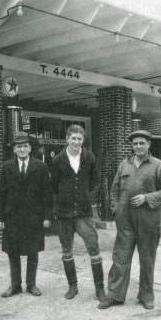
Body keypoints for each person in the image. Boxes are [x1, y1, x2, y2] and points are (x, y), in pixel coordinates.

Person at [98, 130, 161, 310]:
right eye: (135, 144)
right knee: (120, 258)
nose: (138, 146)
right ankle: (115, 295)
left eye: (142, 143)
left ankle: (146, 296)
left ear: (149, 144)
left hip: (148, 221)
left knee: (147, 260)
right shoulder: (124, 165)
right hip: (125, 221)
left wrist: (146, 198)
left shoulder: (158, 166)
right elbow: (115, 189)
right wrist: (116, 209)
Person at [51, 124, 105, 301]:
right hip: (64, 213)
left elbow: (96, 181)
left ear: (83, 140)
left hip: (83, 212)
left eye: (79, 139)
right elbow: (53, 186)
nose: (76, 142)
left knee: (93, 247)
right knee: (66, 250)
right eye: (73, 138)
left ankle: (99, 289)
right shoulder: (58, 160)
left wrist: (87, 195)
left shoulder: (89, 157)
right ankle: (72, 286)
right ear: (67, 139)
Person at [0, 133, 52, 297]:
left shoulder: (40, 167)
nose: (22, 149)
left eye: (25, 146)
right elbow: (1, 194)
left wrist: (47, 217)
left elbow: (47, 194)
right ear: (14, 149)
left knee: (33, 251)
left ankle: (31, 284)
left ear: (30, 148)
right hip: (12, 216)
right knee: (13, 252)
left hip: (34, 217)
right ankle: (15, 285)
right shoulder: (7, 167)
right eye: (19, 146)